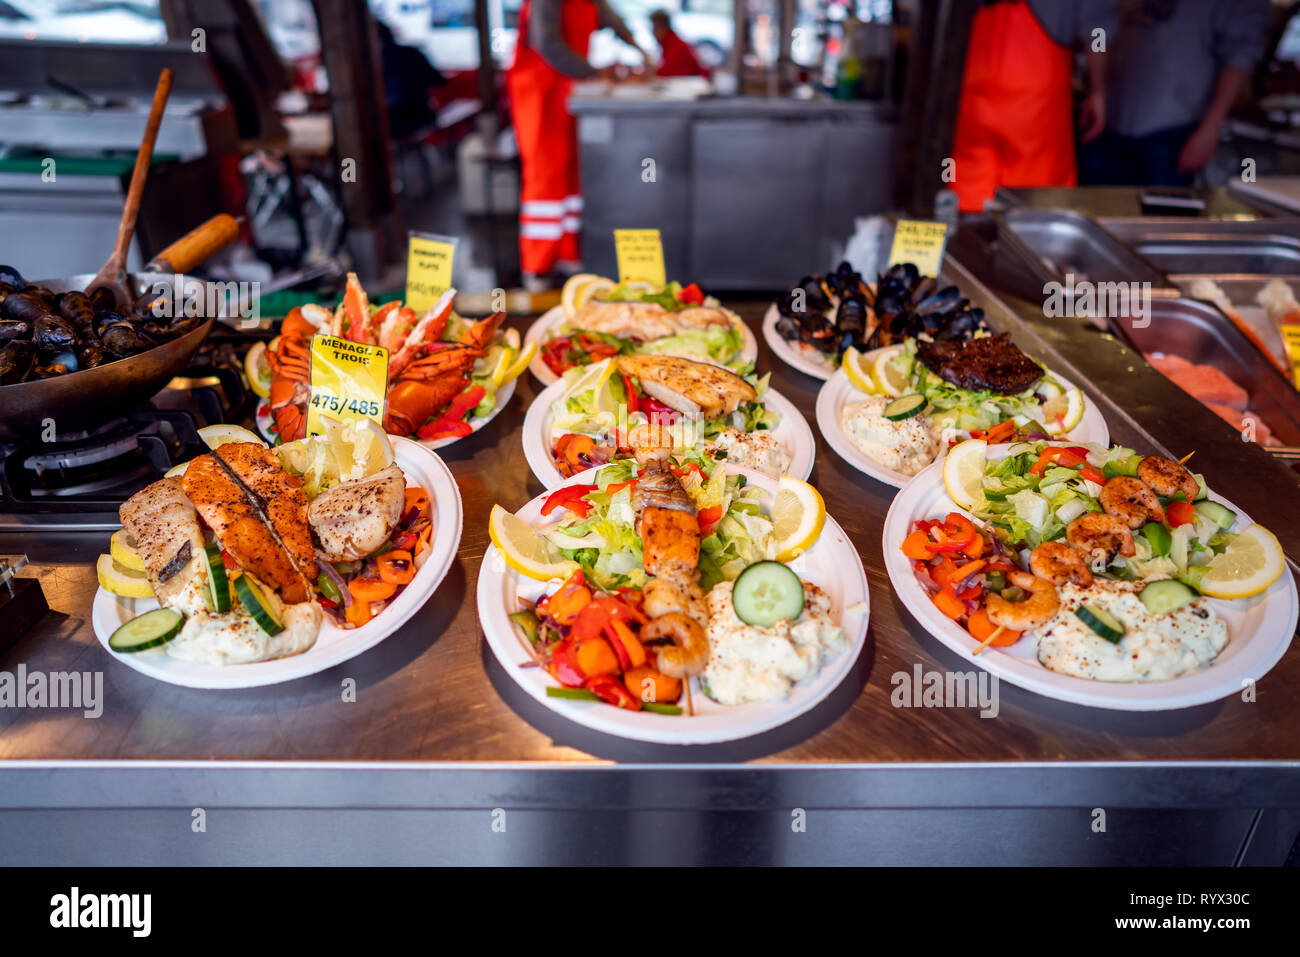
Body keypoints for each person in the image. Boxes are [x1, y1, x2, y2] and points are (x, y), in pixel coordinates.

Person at [507, 0, 649, 290]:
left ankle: (567, 255)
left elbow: (612, 19)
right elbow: (548, 44)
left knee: (571, 174)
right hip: (539, 92)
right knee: (545, 176)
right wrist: (593, 71)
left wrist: (640, 49)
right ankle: (537, 267)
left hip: (567, 91)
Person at [1078, 0, 1271, 186]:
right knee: (1099, 208)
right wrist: (1097, 90)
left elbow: (1241, 53)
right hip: (1107, 123)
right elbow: (1098, 25)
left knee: (1163, 216)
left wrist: (1211, 128)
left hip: (1176, 131)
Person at [950, 0, 1116, 213]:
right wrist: (1098, 90)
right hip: (1034, 93)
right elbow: (1097, 30)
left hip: (972, 81)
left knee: (968, 189)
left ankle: (965, 242)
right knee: (1032, 204)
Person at [375, 19, 447, 139]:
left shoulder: (375, 62)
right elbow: (439, 80)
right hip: (419, 116)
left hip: (389, 121)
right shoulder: (412, 53)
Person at [650, 9, 709, 78]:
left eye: (653, 28)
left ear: (661, 28)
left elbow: (665, 72)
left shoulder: (676, 45)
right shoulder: (668, 42)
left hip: (694, 84)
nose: (652, 32)